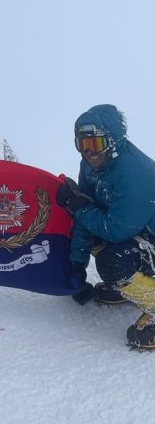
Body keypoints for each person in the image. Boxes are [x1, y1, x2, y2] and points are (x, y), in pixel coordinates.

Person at [56, 104, 155, 350]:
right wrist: (76, 267)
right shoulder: (91, 166)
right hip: (139, 234)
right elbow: (85, 213)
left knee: (113, 260)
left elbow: (116, 229)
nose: (89, 153)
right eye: (83, 145)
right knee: (97, 238)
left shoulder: (135, 174)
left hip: (142, 235)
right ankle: (129, 287)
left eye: (96, 144)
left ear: (113, 142)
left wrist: (77, 206)